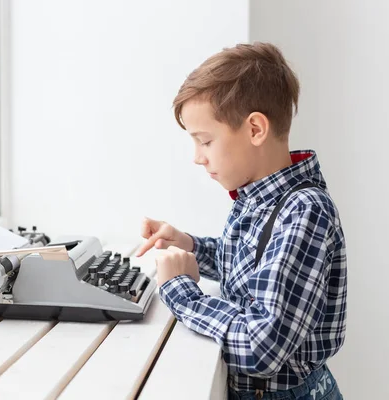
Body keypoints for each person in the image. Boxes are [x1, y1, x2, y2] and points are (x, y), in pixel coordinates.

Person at [135, 42, 346, 400]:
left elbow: (261, 347)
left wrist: (180, 290)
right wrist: (188, 244)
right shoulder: (259, 197)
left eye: (205, 141)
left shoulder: (304, 212)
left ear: (255, 130)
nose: (197, 158)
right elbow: (251, 269)